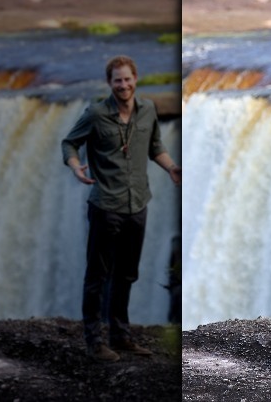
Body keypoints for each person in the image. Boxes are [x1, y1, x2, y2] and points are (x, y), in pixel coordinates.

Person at [62, 55, 181, 362]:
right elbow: (69, 143)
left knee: (127, 274)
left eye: (128, 79)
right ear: (110, 83)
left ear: (136, 79)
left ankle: (121, 335)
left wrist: (171, 168)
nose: (123, 85)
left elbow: (156, 146)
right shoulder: (96, 113)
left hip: (138, 203)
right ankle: (94, 340)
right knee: (97, 275)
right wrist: (75, 167)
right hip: (105, 205)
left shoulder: (148, 110)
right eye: (117, 80)